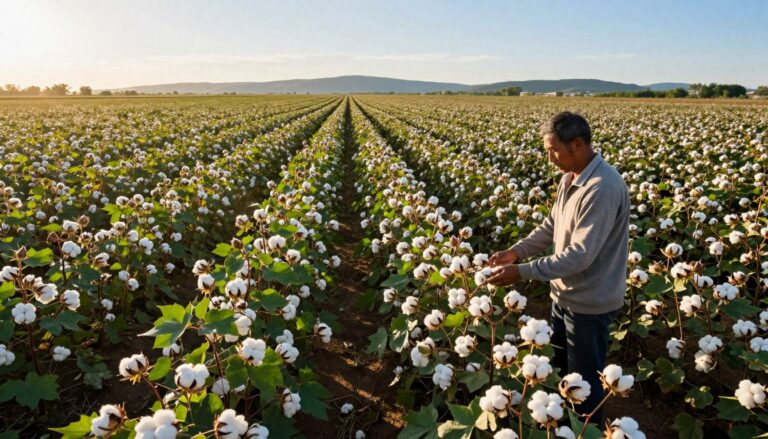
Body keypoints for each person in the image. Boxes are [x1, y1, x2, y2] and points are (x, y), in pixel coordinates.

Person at [487, 111, 629, 425]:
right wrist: (515, 252)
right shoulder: (571, 178)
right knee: (565, 375)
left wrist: (521, 272)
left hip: (589, 303)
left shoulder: (602, 187)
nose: (550, 157)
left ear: (577, 145)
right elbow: (551, 226)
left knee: (584, 388)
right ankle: (565, 428)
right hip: (565, 296)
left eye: (554, 150)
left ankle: (586, 431)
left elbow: (580, 255)